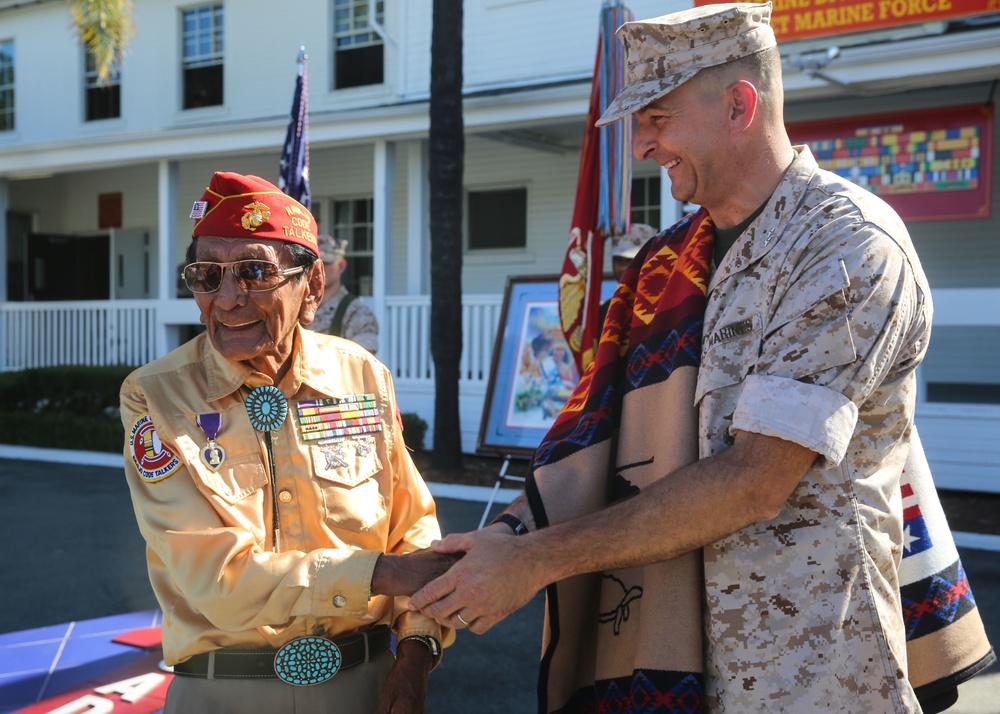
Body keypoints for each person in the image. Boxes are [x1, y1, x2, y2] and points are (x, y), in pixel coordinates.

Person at [410, 4, 993, 713]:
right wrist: (498, 545)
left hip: (808, 671)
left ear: (739, 106)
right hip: (667, 650)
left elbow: (756, 480)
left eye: (657, 118)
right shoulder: (669, 262)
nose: (642, 145)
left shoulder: (845, 247)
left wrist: (533, 561)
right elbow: (600, 439)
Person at [120, 171, 453, 714]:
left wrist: (416, 649)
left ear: (313, 285)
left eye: (253, 272)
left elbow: (410, 526)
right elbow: (211, 576)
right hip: (221, 693)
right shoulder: (156, 396)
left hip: (366, 686)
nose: (227, 299)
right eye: (207, 275)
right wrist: (382, 574)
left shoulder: (361, 376)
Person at [305, 233, 379, 354]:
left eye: (325, 263)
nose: (317, 269)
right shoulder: (297, 307)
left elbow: (360, 362)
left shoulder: (357, 313)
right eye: (312, 264)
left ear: (341, 266)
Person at [598, 223, 657, 327]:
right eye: (618, 260)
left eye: (630, 260)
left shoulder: (661, 305)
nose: (622, 268)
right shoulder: (607, 310)